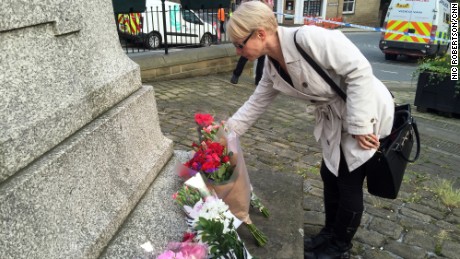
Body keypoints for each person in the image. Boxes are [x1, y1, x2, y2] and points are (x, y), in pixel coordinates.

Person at [225, 2, 394, 259]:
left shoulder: (308, 38)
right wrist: (224, 133)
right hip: (335, 117)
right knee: (329, 172)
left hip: (365, 108)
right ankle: (328, 234)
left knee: (349, 179)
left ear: (260, 33)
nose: (238, 51)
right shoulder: (272, 65)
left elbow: (359, 70)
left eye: (240, 44)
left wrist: (360, 126)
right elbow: (256, 103)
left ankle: (339, 246)